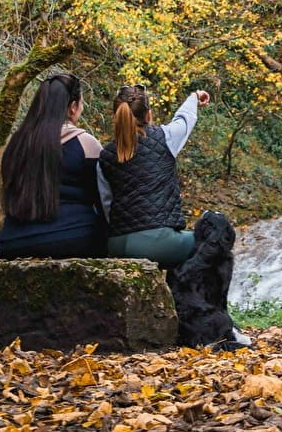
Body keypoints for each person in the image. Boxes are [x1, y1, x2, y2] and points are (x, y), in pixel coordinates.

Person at [99, 85, 248, 348]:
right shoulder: (164, 138)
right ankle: (214, 321)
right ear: (150, 115)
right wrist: (193, 97)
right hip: (157, 242)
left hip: (116, 244)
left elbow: (106, 204)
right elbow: (185, 120)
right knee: (215, 247)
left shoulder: (104, 156)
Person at [0, 72, 109, 260]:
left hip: (13, 242)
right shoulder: (85, 143)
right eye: (81, 104)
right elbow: (103, 199)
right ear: (72, 107)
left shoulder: (15, 144)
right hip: (72, 238)